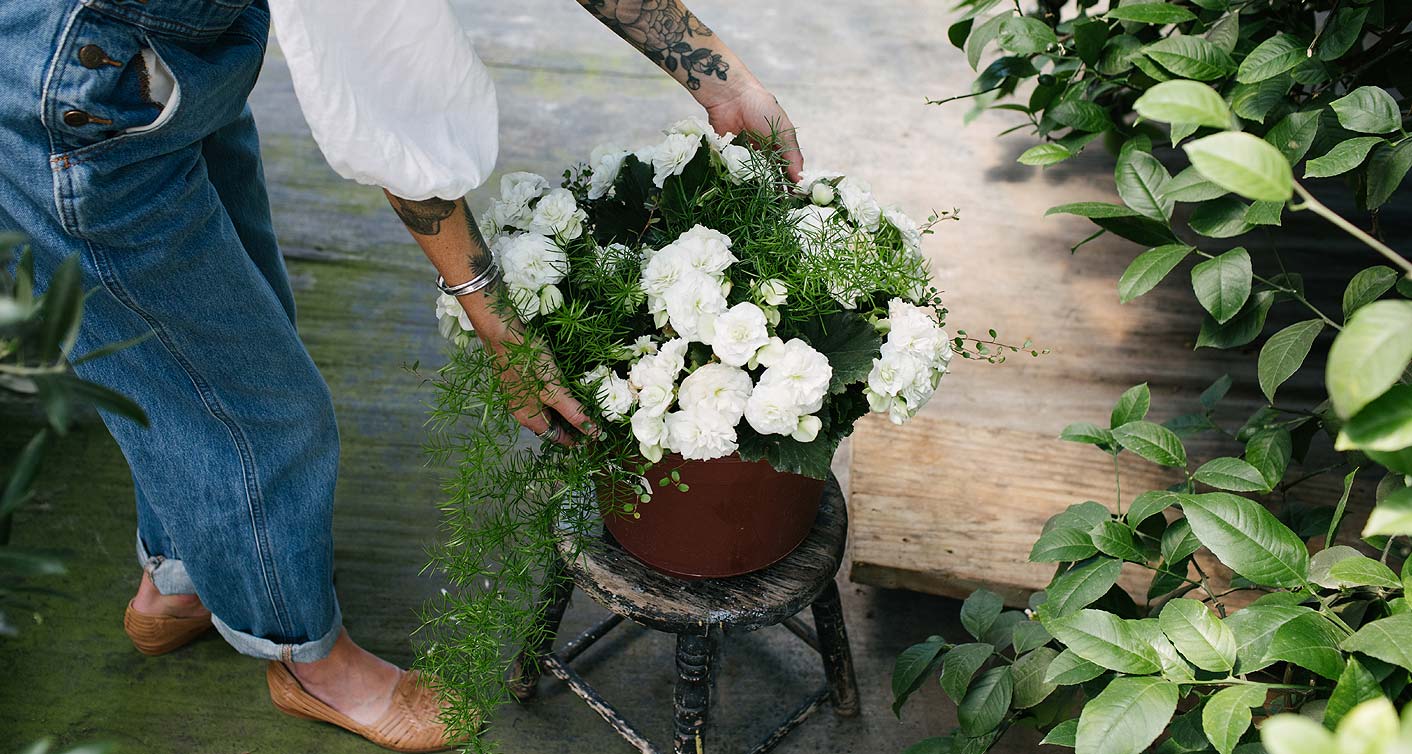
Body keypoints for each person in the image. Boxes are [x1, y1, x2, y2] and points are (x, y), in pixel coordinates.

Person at [0, 0, 802, 750]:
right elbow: (389, 100)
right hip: (80, 98)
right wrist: (503, 331)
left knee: (188, 354)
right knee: (260, 413)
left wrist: (722, 79)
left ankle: (182, 578)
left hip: (166, 69)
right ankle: (307, 662)